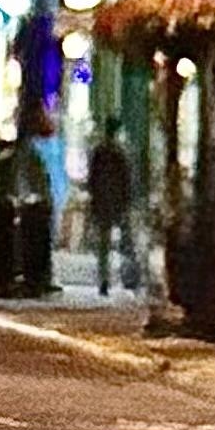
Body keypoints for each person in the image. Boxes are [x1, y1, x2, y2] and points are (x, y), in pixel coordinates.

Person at [86, 121, 140, 298]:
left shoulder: (99, 152)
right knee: (126, 241)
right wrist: (127, 201)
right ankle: (129, 278)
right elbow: (127, 181)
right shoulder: (119, 153)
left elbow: (92, 180)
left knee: (104, 243)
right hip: (117, 203)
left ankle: (104, 280)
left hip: (102, 202)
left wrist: (93, 201)